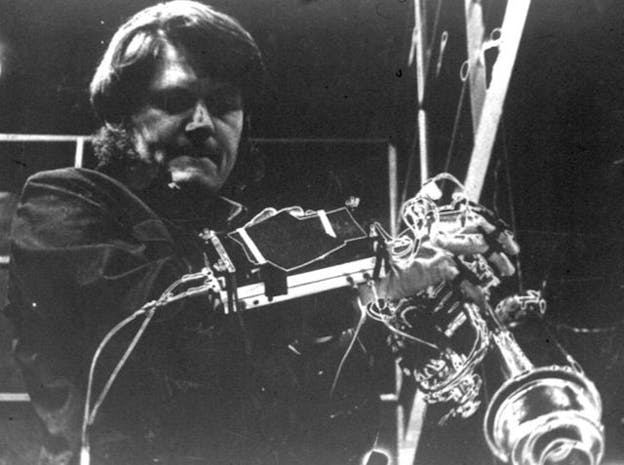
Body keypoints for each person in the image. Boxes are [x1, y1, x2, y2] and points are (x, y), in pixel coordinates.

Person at [5, 2, 515, 465]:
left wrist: (427, 308)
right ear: (122, 115)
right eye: (176, 99)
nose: (204, 123)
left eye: (225, 105)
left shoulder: (249, 235)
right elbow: (157, 323)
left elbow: (323, 426)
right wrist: (374, 270)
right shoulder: (63, 199)